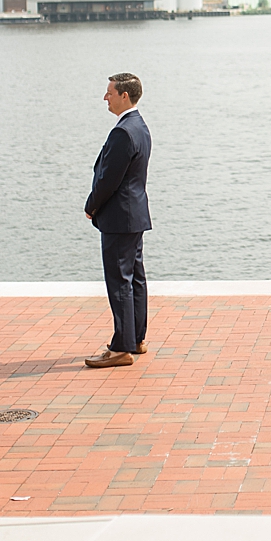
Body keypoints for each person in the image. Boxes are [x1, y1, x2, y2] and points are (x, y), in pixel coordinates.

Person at [83, 72, 153, 368]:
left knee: (119, 281)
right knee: (135, 278)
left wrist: (91, 206)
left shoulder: (123, 131)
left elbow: (110, 178)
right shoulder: (140, 126)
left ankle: (121, 348)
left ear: (125, 95)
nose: (105, 97)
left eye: (109, 92)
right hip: (134, 216)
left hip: (119, 217)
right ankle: (135, 339)